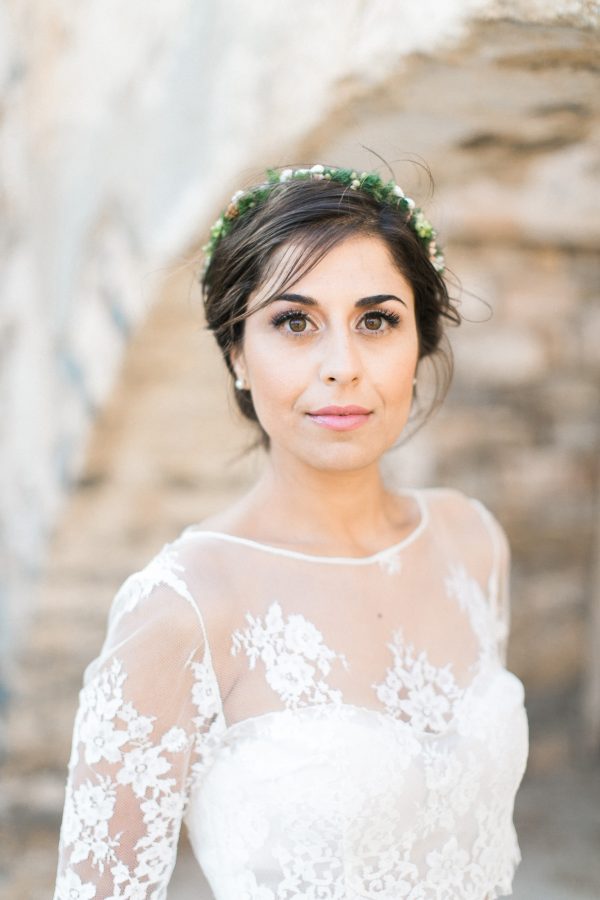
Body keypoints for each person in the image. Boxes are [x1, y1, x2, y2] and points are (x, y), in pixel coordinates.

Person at [53, 164, 529, 900]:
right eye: (293, 321)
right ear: (238, 353)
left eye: (376, 320)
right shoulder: (181, 611)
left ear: (420, 344)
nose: (342, 366)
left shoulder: (473, 543)